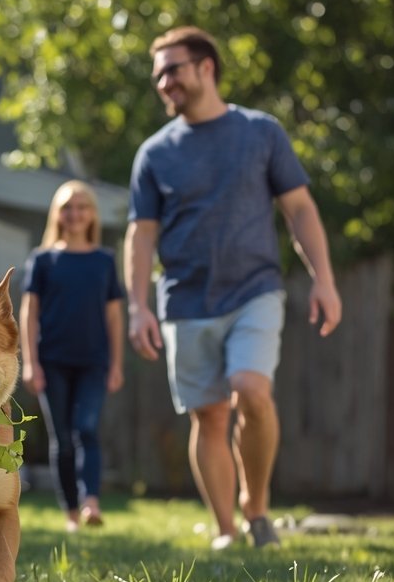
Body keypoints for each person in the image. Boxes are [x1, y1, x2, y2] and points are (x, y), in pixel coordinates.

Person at [124, 27, 342, 549]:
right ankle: (225, 529)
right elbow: (142, 234)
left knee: (251, 390)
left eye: (172, 69)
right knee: (209, 414)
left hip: (254, 290)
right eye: (158, 75)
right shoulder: (154, 153)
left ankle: (256, 509)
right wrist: (137, 306)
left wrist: (324, 279)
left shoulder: (260, 132)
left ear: (206, 67)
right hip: (185, 299)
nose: (164, 83)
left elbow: (300, 209)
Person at [21, 180, 125, 532]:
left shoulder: (104, 261)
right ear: (57, 214)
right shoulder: (43, 259)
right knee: (63, 439)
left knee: (87, 429)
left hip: (94, 362)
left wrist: (116, 364)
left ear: (92, 214)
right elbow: (29, 313)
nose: (75, 214)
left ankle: (90, 502)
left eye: (82, 207)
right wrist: (31, 364)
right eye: (68, 207)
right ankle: (70, 513)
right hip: (51, 362)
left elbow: (114, 317)